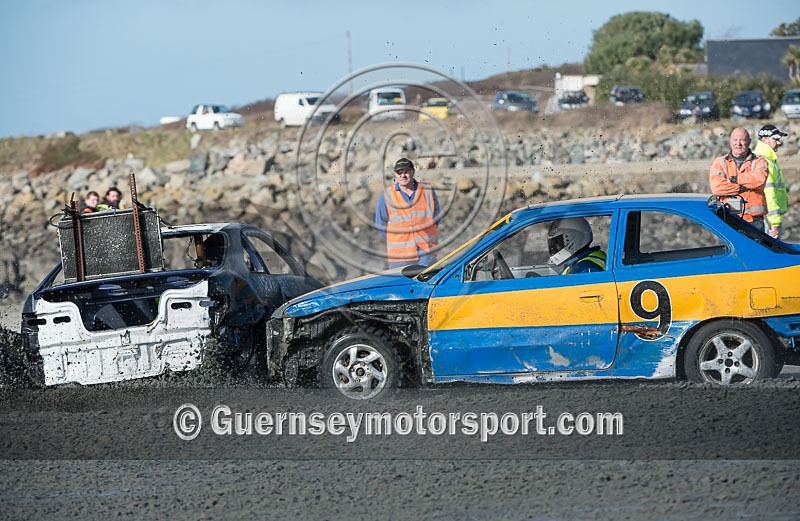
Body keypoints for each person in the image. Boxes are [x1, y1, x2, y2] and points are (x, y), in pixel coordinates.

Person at [375, 158, 440, 268]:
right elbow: (381, 225)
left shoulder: (427, 190)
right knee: (400, 285)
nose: (403, 176)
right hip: (400, 257)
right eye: (399, 173)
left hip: (426, 252)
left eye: (406, 172)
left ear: (413, 172)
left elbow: (436, 217)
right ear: (395, 175)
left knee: (428, 283)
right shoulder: (387, 195)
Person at [709, 127, 769, 228]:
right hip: (728, 219)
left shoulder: (759, 161)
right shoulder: (720, 162)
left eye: (742, 140)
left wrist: (735, 180)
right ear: (730, 141)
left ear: (749, 142)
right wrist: (743, 187)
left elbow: (759, 180)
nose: (738, 143)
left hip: (754, 221)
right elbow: (717, 188)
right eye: (735, 140)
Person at [753, 124, 789, 239]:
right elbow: (769, 193)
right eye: (776, 139)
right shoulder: (764, 161)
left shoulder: (769, 159)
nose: (779, 142)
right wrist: (774, 223)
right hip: (768, 219)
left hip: (767, 217)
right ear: (764, 140)